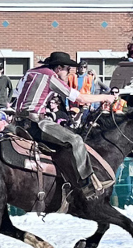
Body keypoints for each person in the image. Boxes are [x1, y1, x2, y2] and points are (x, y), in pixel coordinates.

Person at [13, 52, 116, 201]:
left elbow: (17, 93)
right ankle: (88, 185)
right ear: (59, 67)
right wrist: (105, 97)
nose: (69, 73)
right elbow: (80, 98)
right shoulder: (50, 76)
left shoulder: (30, 72)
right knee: (75, 140)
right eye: (67, 69)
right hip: (34, 122)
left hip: (17, 122)